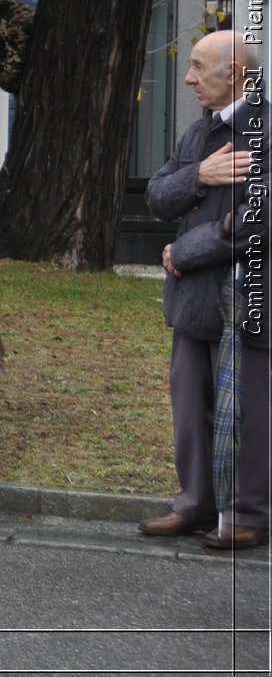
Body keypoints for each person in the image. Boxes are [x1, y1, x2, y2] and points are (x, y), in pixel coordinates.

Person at [141, 28, 268, 548]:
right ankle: (196, 502)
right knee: (191, 405)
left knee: (251, 409)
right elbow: (156, 196)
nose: (188, 77)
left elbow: (256, 220)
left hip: (247, 299)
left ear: (235, 73)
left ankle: (249, 513)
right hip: (195, 300)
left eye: (197, 66)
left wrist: (181, 253)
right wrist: (201, 175)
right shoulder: (201, 133)